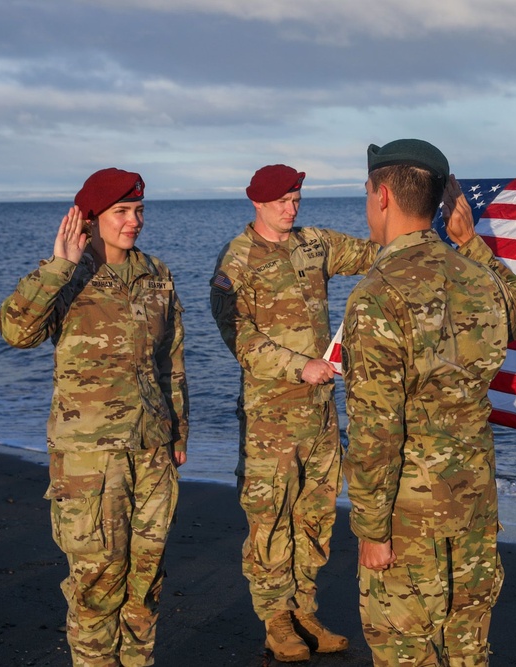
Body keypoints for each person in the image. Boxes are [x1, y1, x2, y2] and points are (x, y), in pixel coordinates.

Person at [340, 139, 516, 666]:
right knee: (468, 650)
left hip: (409, 516)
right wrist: (471, 244)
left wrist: (371, 530)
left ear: (382, 196)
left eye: (366, 194)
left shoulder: (377, 295)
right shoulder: (477, 278)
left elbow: (375, 431)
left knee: (406, 652)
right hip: (472, 503)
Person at [0, 168, 189, 666]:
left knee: (145, 583)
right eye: (121, 213)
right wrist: (59, 267)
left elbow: (171, 359)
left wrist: (178, 431)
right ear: (90, 219)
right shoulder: (66, 276)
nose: (133, 223)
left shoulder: (157, 275)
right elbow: (16, 332)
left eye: (138, 212)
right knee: (97, 585)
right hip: (89, 463)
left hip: (151, 452)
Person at [209, 164, 379, 662]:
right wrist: (297, 365)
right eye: (283, 200)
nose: (292, 207)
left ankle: (304, 610)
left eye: (297, 198)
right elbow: (236, 336)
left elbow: (374, 254)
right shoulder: (235, 262)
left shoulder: (314, 243)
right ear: (257, 203)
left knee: (315, 515)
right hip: (269, 419)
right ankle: (275, 619)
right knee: (270, 518)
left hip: (321, 412)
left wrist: (419, 236)